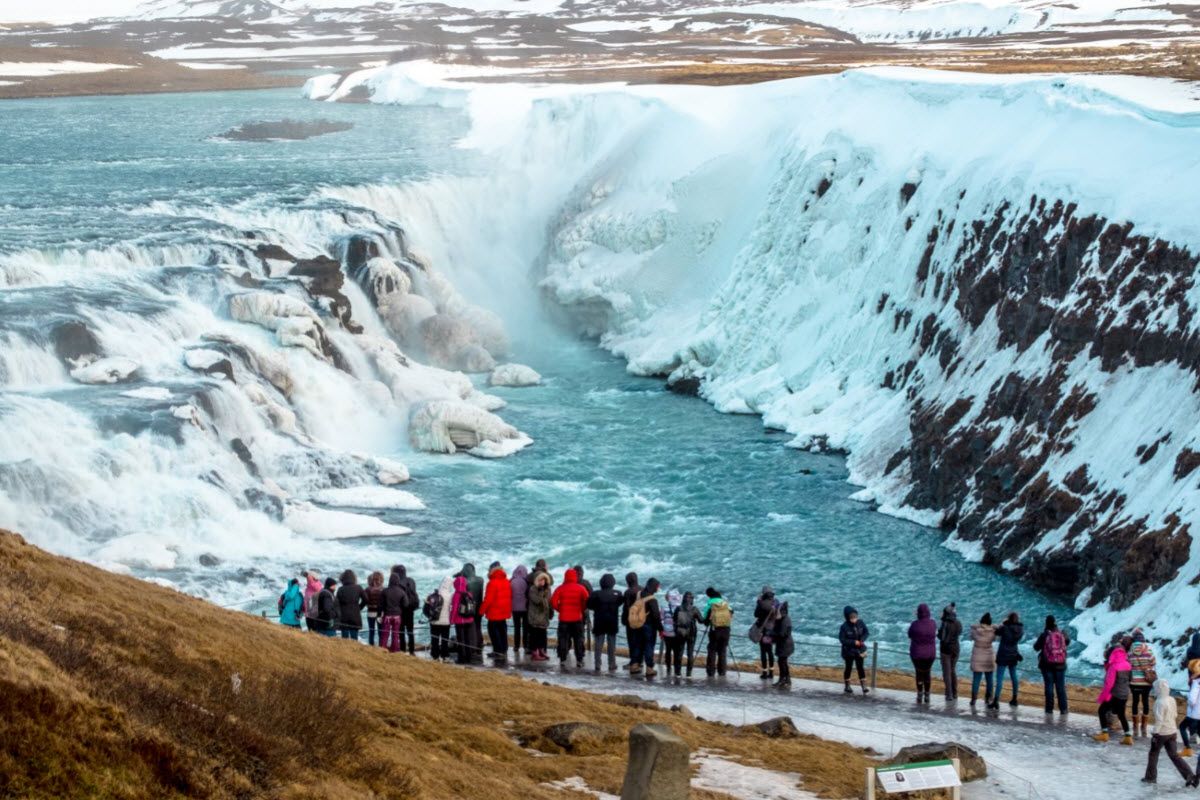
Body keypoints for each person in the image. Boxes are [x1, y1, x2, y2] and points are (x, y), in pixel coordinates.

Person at [1143, 677, 1199, 786]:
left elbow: (1159, 720)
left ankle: (1150, 777)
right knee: (1174, 755)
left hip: (1161, 733)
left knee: (1153, 754)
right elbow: (1175, 715)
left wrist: (1155, 733)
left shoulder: (1159, 703)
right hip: (1172, 731)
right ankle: (1189, 774)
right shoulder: (1171, 699)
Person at [1094, 638, 1134, 745]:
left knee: (1102, 710)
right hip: (1124, 693)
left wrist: (1102, 697)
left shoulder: (1113, 666)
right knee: (1121, 714)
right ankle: (1128, 736)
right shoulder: (1128, 664)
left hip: (1114, 694)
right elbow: (1130, 679)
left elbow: (1109, 684)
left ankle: (1104, 733)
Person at [551, 568, 590, 667]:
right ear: (575, 577)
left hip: (564, 618)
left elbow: (553, 602)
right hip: (577, 618)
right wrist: (581, 608)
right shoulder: (581, 588)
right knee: (578, 639)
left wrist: (560, 609)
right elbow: (587, 600)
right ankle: (579, 660)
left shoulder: (560, 588)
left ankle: (563, 659)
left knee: (563, 639)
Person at [1033, 615, 1070, 714]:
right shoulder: (1061, 633)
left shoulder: (1044, 635)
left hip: (1047, 665)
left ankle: (1049, 709)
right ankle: (1064, 709)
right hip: (1061, 664)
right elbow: (1067, 643)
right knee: (1060, 687)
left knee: (1049, 687)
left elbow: (1036, 647)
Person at [589, 572, 623, 671]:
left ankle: (597, 664)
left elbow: (589, 605)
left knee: (598, 643)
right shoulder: (618, 594)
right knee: (611, 643)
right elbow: (620, 602)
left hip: (599, 621)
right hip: (612, 621)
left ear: (601, 583)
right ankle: (612, 663)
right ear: (613, 583)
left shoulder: (596, 594)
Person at [479, 565, 513, 662]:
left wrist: (481, 611)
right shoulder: (506, 581)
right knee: (503, 630)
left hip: (495, 611)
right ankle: (504, 648)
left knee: (493, 631)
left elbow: (488, 599)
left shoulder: (492, 583)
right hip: (504, 610)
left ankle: (497, 651)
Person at [631, 578, 663, 677]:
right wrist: (660, 629)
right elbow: (656, 616)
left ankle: (634, 665)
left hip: (637, 624)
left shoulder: (638, 594)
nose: (658, 589)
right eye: (657, 587)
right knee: (649, 646)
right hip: (649, 626)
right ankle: (649, 668)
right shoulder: (652, 600)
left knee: (638, 645)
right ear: (654, 587)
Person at [993, 612, 1024, 709]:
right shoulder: (1020, 629)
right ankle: (1014, 698)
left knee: (1000, 678)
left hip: (1003, 654)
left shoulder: (1005, 627)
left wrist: (1003, 623)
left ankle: (996, 700)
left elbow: (996, 632)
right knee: (1014, 676)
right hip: (1013, 654)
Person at [1129, 628, 1157, 735]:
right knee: (1145, 702)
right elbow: (1153, 663)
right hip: (1146, 682)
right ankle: (1144, 726)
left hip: (1134, 682)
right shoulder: (1148, 651)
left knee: (1135, 702)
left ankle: (1135, 726)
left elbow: (1128, 665)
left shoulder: (1130, 652)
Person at [908, 603, 937, 703]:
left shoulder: (915, 624)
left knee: (919, 673)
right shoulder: (933, 623)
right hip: (930, 654)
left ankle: (920, 693)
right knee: (927, 673)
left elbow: (910, 634)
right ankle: (927, 694)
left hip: (917, 654)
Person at [703, 587, 734, 677]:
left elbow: (705, 622)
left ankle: (711, 671)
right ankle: (722, 671)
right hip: (726, 630)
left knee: (712, 650)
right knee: (722, 651)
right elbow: (732, 613)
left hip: (714, 630)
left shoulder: (710, 606)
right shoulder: (726, 605)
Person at [839, 606, 870, 695]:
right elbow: (842, 640)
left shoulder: (860, 623)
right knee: (848, 668)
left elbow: (866, 632)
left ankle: (864, 686)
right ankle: (847, 686)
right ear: (847, 617)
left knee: (860, 667)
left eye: (855, 617)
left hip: (859, 650)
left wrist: (861, 641)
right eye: (852, 618)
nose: (854, 620)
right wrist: (853, 642)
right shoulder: (844, 627)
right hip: (848, 651)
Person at [969, 613, 997, 708]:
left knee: (976, 678)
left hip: (977, 656)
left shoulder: (976, 631)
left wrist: (977, 626)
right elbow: (994, 639)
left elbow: (971, 636)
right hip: (989, 656)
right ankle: (988, 697)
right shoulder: (992, 631)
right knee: (989, 679)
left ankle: (973, 698)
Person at [391, 565, 419, 656]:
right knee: (410, 631)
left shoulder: (397, 582)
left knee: (401, 631)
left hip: (401, 610)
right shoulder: (411, 580)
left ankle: (403, 650)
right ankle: (412, 651)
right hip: (411, 609)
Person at [450, 574, 478, 665]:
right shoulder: (469, 594)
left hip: (460, 621)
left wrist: (451, 620)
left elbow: (454, 609)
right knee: (468, 639)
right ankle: (469, 657)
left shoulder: (456, 595)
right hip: (469, 620)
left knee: (461, 640)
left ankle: (462, 658)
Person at [674, 591, 703, 678]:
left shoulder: (678, 608)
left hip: (680, 632)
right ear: (691, 600)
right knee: (690, 653)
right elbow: (701, 620)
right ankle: (688, 673)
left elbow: (674, 619)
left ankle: (678, 672)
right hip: (691, 633)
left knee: (679, 652)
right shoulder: (694, 609)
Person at [527, 569, 554, 662]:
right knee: (535, 634)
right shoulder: (533, 589)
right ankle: (534, 652)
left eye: (544, 580)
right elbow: (537, 600)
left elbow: (549, 600)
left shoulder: (548, 589)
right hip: (535, 615)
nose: (543, 582)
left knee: (542, 634)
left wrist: (551, 610)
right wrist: (541, 591)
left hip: (544, 615)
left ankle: (542, 651)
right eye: (541, 580)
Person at [380, 570, 409, 654]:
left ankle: (382, 650)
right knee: (395, 634)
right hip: (397, 616)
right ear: (398, 581)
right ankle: (395, 650)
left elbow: (380, 605)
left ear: (389, 580)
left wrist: (379, 615)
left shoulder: (385, 591)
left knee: (385, 634)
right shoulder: (401, 591)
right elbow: (406, 604)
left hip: (387, 616)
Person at [461, 563, 485, 664]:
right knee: (478, 627)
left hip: (469, 607)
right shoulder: (480, 580)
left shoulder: (465, 581)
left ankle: (473, 647)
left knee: (471, 628)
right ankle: (479, 645)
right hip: (479, 606)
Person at [937, 603, 962, 701]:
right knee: (952, 670)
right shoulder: (958, 622)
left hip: (945, 649)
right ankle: (955, 692)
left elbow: (942, 637)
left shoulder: (945, 624)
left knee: (946, 672)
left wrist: (938, 633)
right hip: (956, 648)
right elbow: (959, 632)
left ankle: (949, 694)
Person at [335, 569, 367, 641]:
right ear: (354, 578)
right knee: (354, 637)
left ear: (342, 578)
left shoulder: (341, 589)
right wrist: (359, 607)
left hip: (344, 615)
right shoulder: (358, 588)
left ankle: (345, 651)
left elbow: (336, 603)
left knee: (345, 638)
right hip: (355, 613)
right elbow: (366, 600)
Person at [429, 576, 455, 662]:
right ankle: (445, 655)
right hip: (445, 621)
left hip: (434, 621)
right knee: (445, 639)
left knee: (434, 639)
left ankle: (435, 655)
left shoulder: (434, 594)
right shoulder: (451, 595)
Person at [754, 586, 777, 681]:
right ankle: (771, 672)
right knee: (770, 651)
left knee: (763, 651)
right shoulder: (775, 602)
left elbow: (756, 614)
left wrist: (758, 602)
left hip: (763, 629)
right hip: (772, 629)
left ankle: (764, 672)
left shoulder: (762, 603)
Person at [622, 572, 642, 670]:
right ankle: (640, 661)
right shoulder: (642, 589)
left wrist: (623, 619)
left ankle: (633, 662)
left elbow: (626, 608)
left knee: (632, 641)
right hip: (641, 619)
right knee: (640, 640)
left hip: (631, 620)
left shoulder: (628, 592)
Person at [661, 589, 683, 677]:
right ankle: (677, 670)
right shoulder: (681, 607)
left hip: (667, 632)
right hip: (677, 633)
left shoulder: (664, 607)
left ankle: (668, 667)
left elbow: (661, 618)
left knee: (668, 650)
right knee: (677, 651)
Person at [1180, 660, 1200, 757]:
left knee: (1182, 727)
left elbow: (1192, 699)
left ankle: (1187, 748)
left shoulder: (1196, 682)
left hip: (1195, 712)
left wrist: (1188, 701)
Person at [773, 601, 795, 689]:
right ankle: (787, 679)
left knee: (782, 662)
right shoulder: (784, 618)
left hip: (785, 644)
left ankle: (783, 679)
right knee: (783, 662)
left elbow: (782, 634)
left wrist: (772, 635)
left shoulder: (784, 620)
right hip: (785, 644)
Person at [510, 564, 530, 657]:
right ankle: (525, 646)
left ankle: (516, 646)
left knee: (517, 628)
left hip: (515, 608)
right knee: (525, 628)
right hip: (525, 608)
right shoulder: (526, 581)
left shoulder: (512, 581)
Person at [574, 564, 594, 653]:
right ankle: (580, 654)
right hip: (582, 612)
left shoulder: (568, 583)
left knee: (568, 634)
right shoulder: (585, 583)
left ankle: (565, 653)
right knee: (580, 634)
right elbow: (592, 596)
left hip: (569, 612)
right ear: (582, 573)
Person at [364, 571, 385, 646]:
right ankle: (381, 646)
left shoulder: (367, 589)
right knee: (380, 631)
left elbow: (365, 601)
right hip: (380, 613)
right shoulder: (383, 589)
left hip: (370, 612)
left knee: (371, 631)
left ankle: (371, 646)